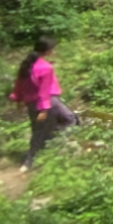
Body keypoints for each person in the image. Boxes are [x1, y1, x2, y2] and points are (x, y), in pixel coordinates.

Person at [10, 37, 74, 171]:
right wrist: (44, 109)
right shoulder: (45, 68)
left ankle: (50, 146)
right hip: (47, 103)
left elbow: (18, 85)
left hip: (32, 104)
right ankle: (29, 161)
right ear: (48, 51)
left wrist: (18, 100)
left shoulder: (26, 65)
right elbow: (44, 92)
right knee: (42, 131)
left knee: (66, 119)